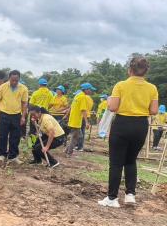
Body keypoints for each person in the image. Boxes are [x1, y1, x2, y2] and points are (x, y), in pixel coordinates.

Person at [98, 56, 159, 208]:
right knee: (131, 160)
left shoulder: (121, 85)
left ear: (129, 69)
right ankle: (130, 195)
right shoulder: (152, 88)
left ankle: (112, 198)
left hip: (122, 123)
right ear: (145, 71)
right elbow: (153, 110)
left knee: (116, 163)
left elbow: (112, 107)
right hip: (140, 126)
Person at [0, 70, 29, 164]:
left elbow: (24, 103)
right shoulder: (3, 87)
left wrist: (23, 117)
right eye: (12, 80)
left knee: (15, 136)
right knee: (3, 135)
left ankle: (13, 156)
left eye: (16, 80)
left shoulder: (23, 88)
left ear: (19, 79)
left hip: (16, 115)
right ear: (9, 78)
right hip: (4, 114)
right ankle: (2, 154)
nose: (14, 82)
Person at [65, 85, 91, 156]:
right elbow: (83, 110)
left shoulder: (77, 96)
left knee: (77, 135)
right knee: (75, 137)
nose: (91, 91)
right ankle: (69, 153)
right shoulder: (83, 97)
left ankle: (67, 150)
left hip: (73, 119)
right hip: (76, 120)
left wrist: (67, 116)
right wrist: (87, 122)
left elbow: (71, 107)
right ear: (85, 89)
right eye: (90, 89)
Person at [77, 84, 96, 151]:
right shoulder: (90, 99)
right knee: (82, 131)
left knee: (80, 131)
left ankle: (79, 146)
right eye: (90, 90)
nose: (91, 91)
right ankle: (79, 146)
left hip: (83, 116)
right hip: (87, 115)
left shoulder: (84, 97)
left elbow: (83, 109)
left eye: (91, 90)